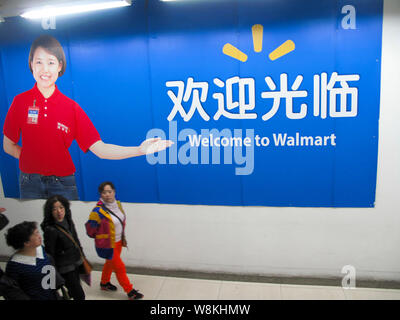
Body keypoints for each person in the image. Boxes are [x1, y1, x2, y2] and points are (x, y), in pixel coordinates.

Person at [2, 34, 173, 200]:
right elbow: (8, 145)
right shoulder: (20, 102)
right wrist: (32, 159)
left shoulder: (71, 108)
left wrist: (139, 150)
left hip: (63, 184)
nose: (45, 69)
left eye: (51, 62)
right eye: (38, 62)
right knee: (31, 229)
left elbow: (101, 150)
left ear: (60, 66)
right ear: (31, 64)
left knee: (65, 229)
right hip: (29, 183)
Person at [86, 181, 143, 300]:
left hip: (118, 242)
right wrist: (102, 237)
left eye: (109, 191)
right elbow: (90, 230)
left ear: (114, 192)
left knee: (110, 264)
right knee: (120, 267)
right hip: (108, 245)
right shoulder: (97, 211)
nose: (107, 194)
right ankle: (130, 291)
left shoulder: (118, 205)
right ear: (100, 194)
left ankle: (104, 283)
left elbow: (121, 221)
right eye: (104, 192)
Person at [4, 221, 65, 300]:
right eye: (35, 234)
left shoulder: (41, 250)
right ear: (26, 242)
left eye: (38, 232)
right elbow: (12, 291)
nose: (39, 236)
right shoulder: (15, 265)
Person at [41, 195, 86, 300]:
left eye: (61, 207)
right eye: (54, 209)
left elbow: (76, 240)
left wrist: (82, 257)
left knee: (74, 290)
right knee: (79, 295)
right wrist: (54, 274)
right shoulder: (50, 229)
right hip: (64, 267)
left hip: (75, 261)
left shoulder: (68, 221)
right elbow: (50, 253)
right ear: (50, 212)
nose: (59, 212)